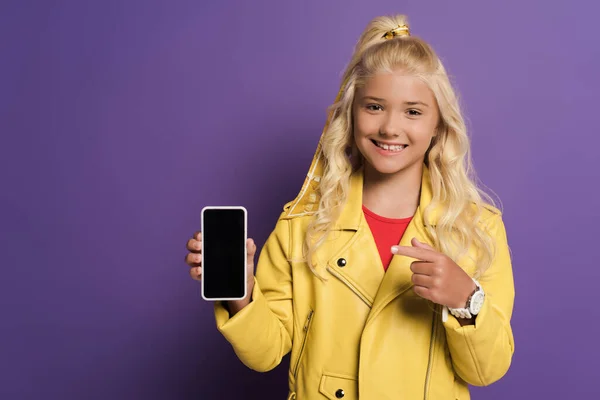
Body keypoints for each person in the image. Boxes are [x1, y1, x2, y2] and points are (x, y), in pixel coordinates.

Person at [185, 14, 515, 400]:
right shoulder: (302, 224)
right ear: (351, 114)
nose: (390, 127)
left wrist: (466, 300)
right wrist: (240, 292)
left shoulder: (477, 229)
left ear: (438, 126)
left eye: (413, 111)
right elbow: (266, 352)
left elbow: (486, 371)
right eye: (374, 106)